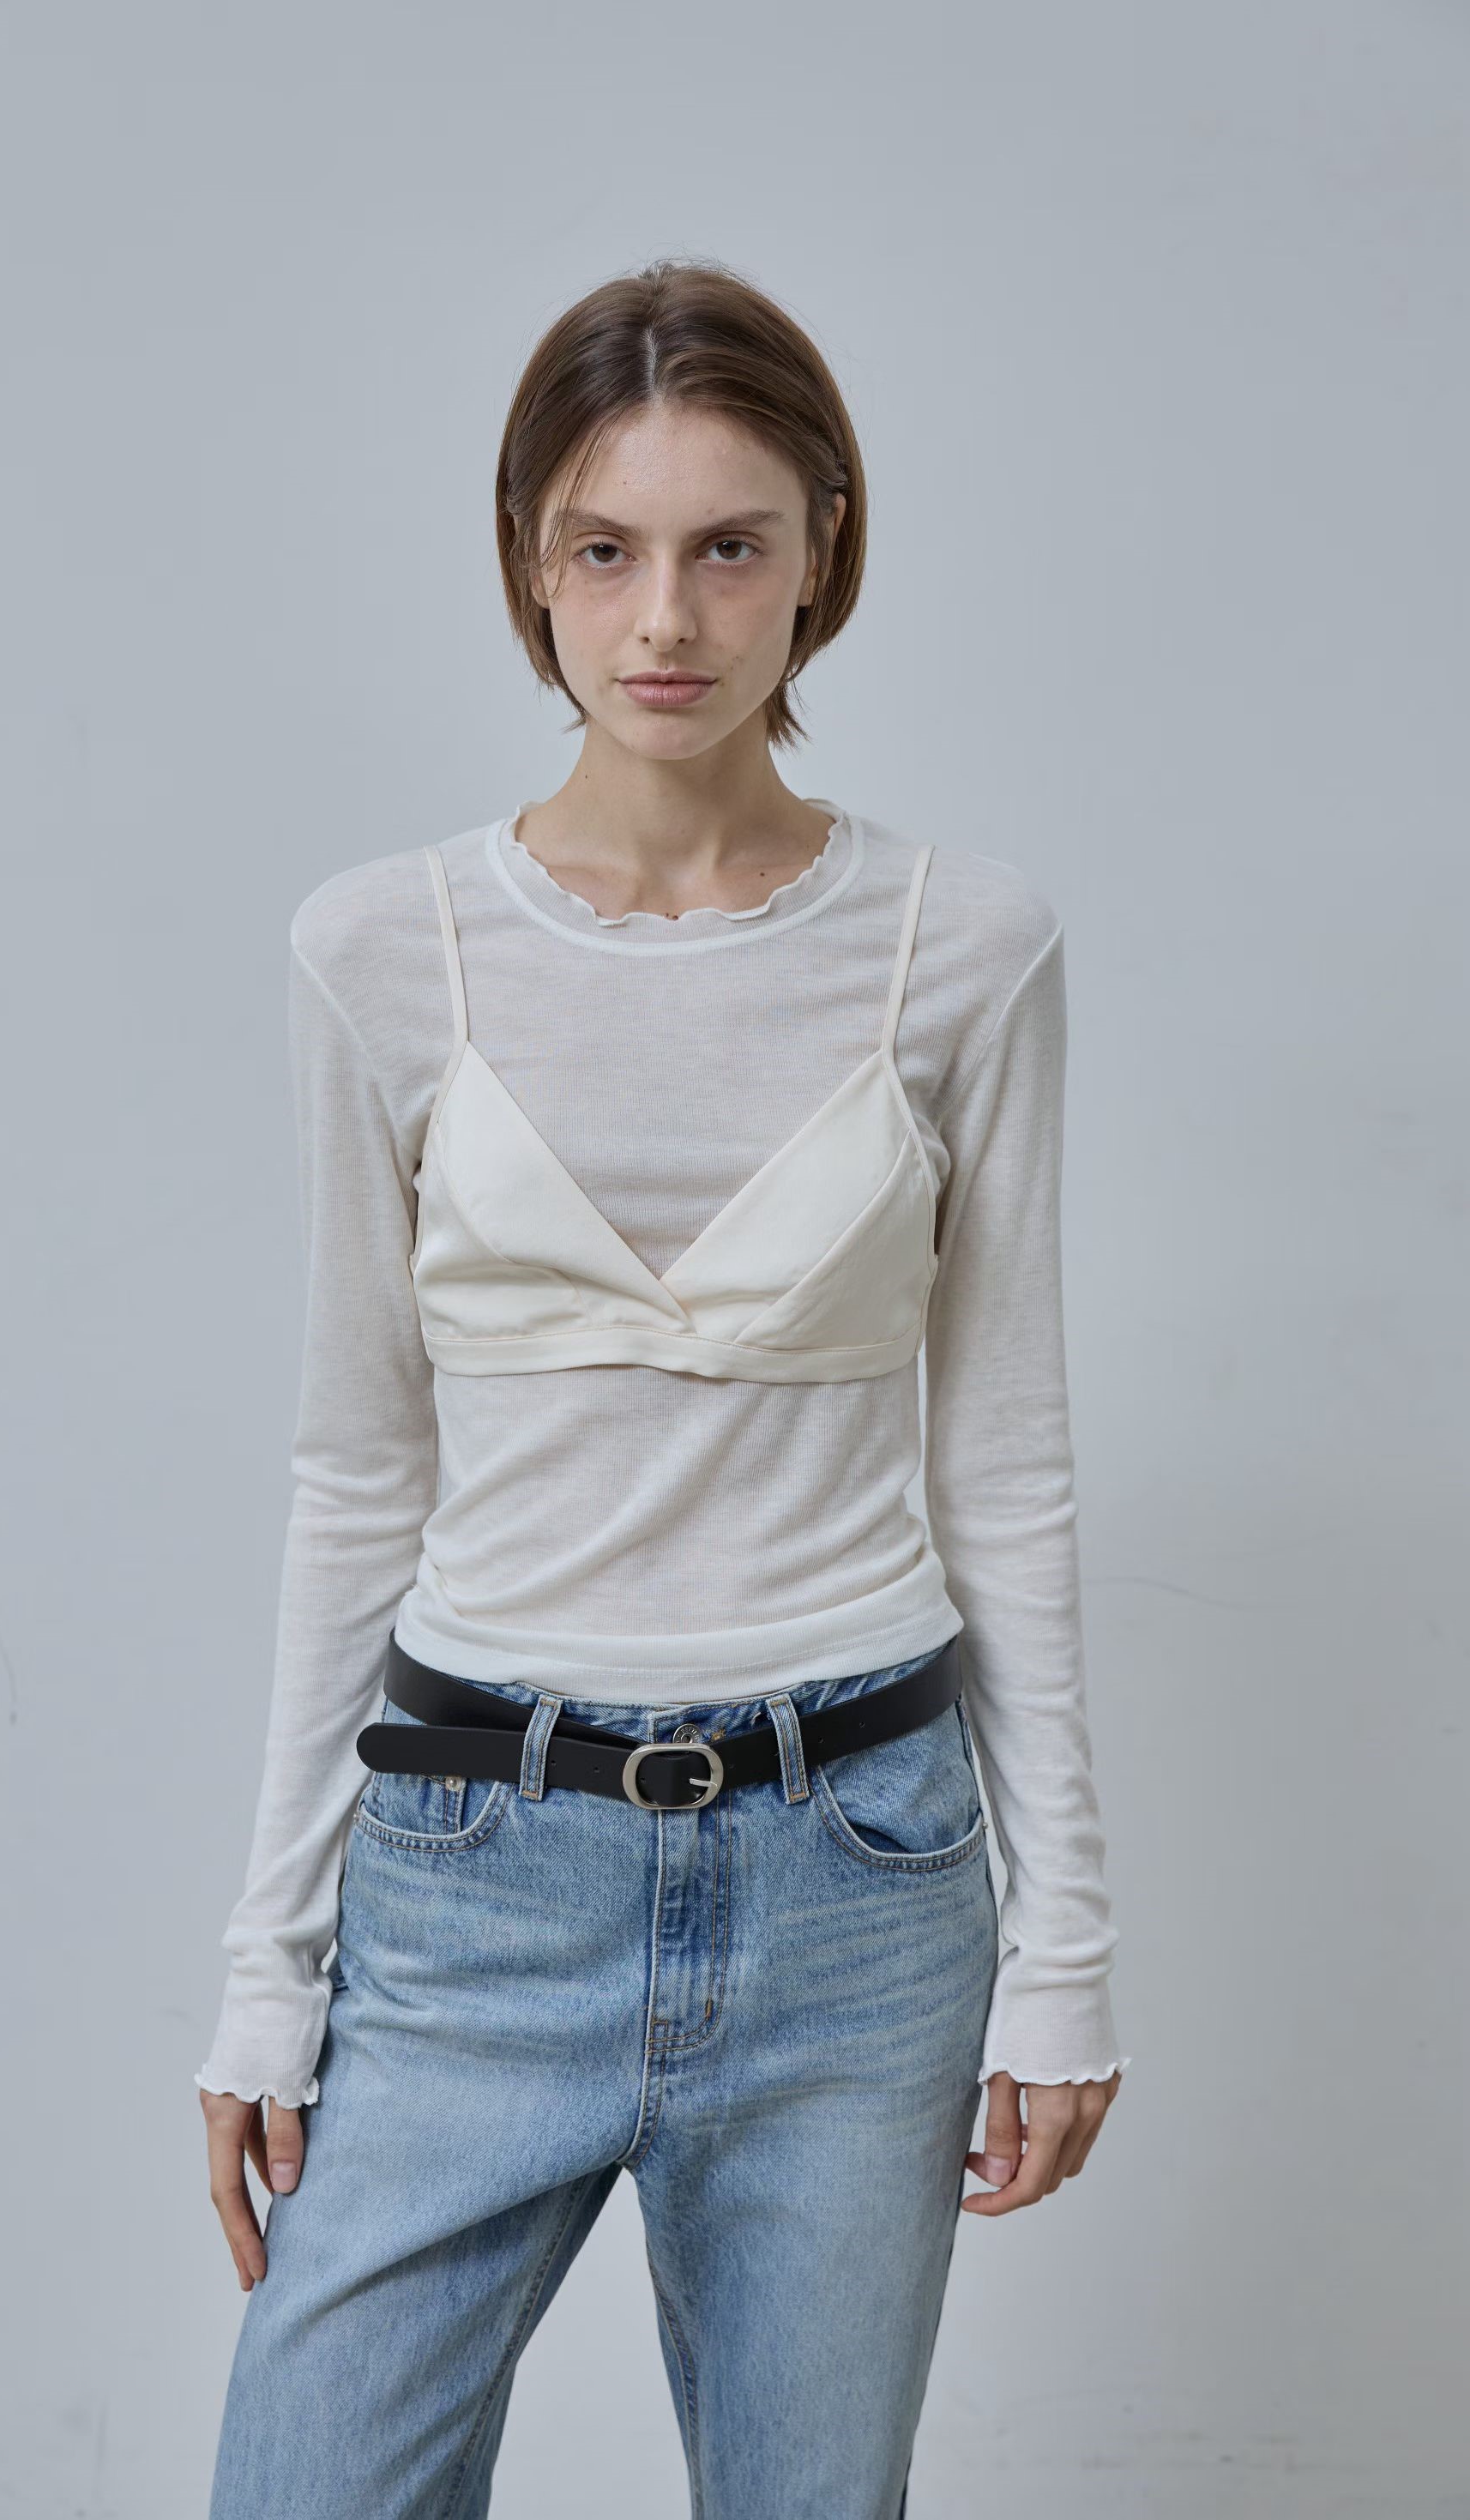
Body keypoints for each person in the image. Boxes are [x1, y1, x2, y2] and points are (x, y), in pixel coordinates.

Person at [195, 255, 1129, 2518]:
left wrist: (1070, 1950)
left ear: (825, 550)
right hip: (472, 1869)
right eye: (604, 549)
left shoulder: (964, 947)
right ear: (532, 561)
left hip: (859, 1875)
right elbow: (357, 1468)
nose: (667, 619)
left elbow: (1003, 1464)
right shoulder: (382, 950)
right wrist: (266, 1965)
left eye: (730, 546)